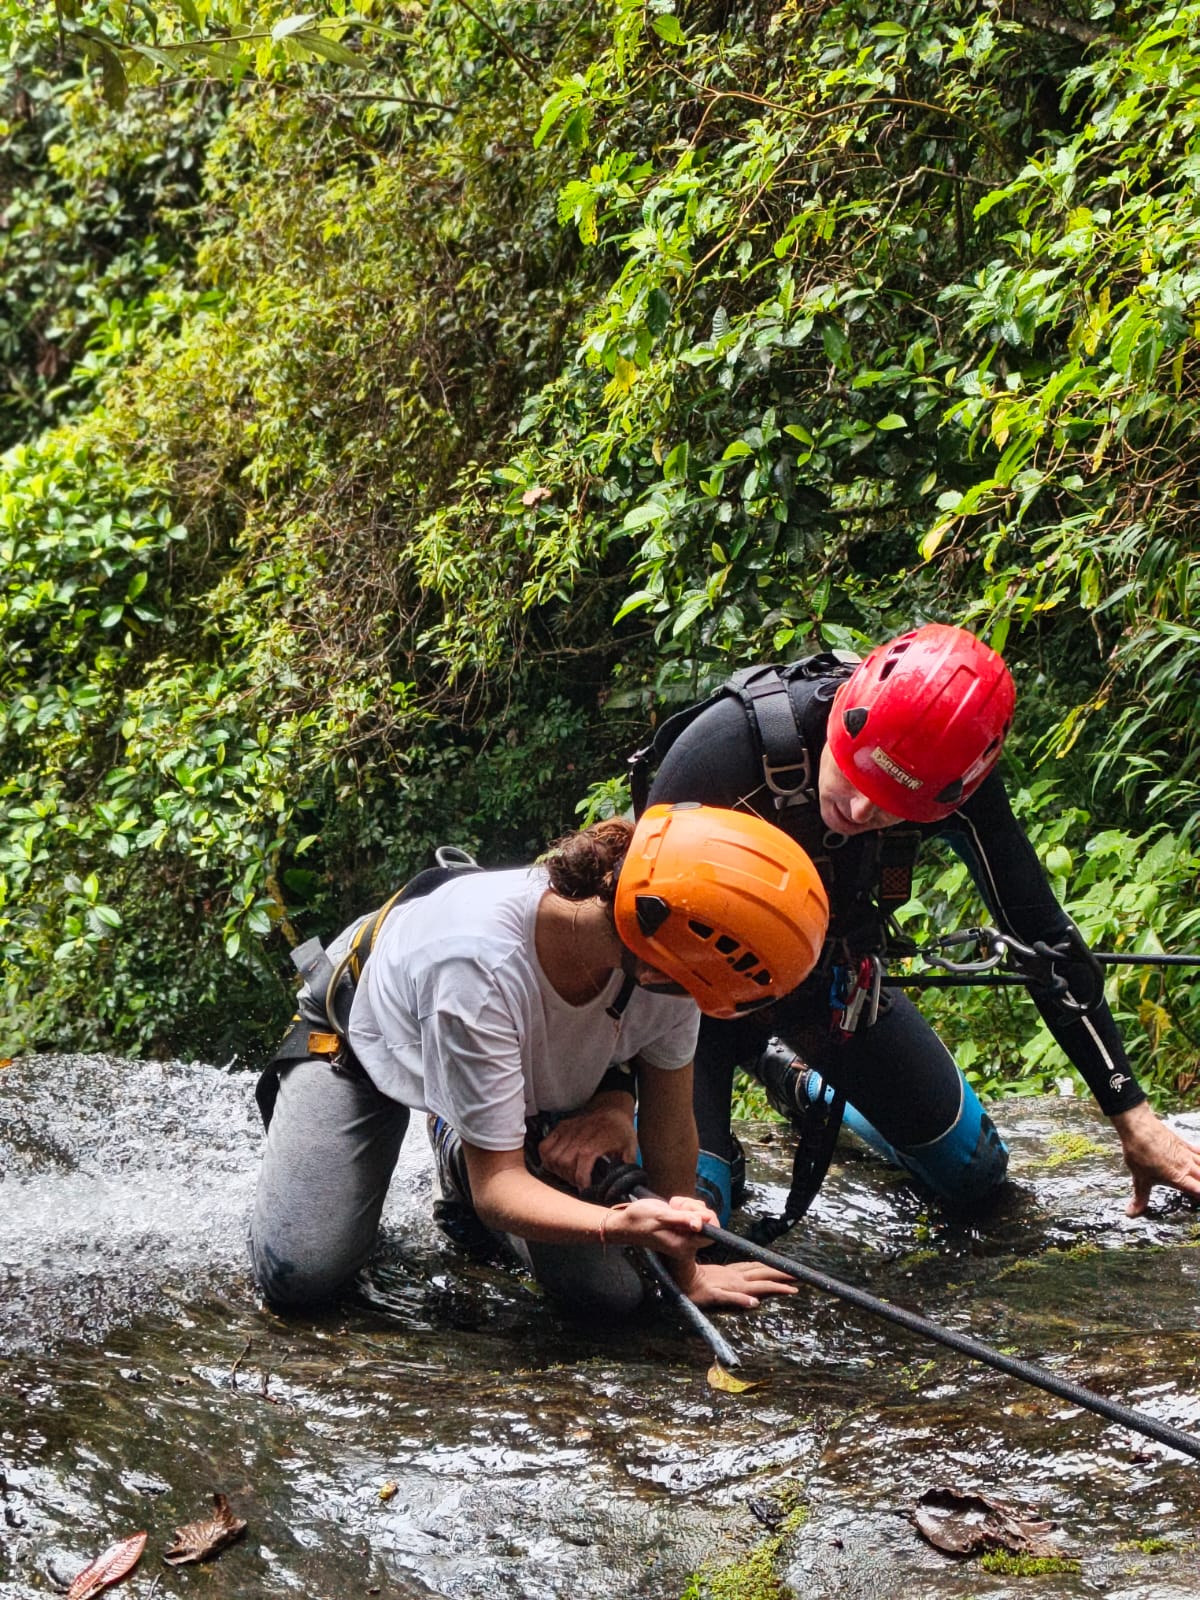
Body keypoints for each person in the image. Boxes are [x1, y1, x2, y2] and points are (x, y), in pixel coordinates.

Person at [620, 622, 1200, 1226]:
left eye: (898, 804)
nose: (862, 810)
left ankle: (790, 1073)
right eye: (857, 771)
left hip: (828, 986)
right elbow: (632, 931)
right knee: (695, 1212)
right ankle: (729, 1115)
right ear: (845, 711)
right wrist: (606, 1101)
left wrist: (1132, 1115)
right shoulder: (727, 749)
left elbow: (1042, 938)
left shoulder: (954, 777)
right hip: (690, 1006)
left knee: (975, 1170)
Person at [249, 802, 830, 1316]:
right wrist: (612, 1223)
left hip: (518, 1044)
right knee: (302, 1273)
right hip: (359, 1038)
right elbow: (500, 1188)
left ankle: (473, 1138)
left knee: (611, 1297)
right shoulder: (477, 968)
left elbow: (670, 1119)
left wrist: (687, 1270)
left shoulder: (668, 949)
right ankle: (458, 1138)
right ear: (655, 965)